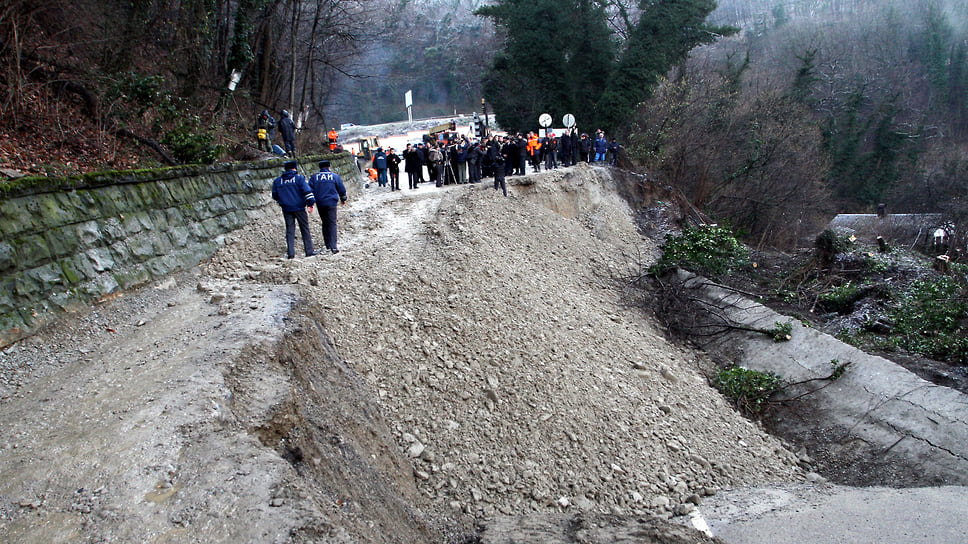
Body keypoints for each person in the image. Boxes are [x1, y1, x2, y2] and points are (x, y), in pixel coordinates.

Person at [271, 160, 316, 259]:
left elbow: (274, 195)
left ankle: (291, 253)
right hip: (299, 207)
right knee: (304, 229)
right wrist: (310, 204)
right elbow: (307, 191)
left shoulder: (278, 181)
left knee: (290, 230)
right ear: (295, 168)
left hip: (286, 208)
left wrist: (282, 201)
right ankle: (309, 251)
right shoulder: (299, 179)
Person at [308, 160, 347, 254]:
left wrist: (311, 203)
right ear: (329, 167)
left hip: (320, 203)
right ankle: (333, 246)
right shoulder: (334, 176)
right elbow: (341, 188)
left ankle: (327, 244)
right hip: (331, 202)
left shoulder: (314, 177)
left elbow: (309, 190)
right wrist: (343, 198)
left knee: (324, 223)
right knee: (332, 223)